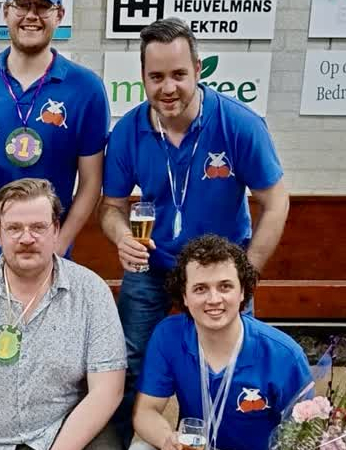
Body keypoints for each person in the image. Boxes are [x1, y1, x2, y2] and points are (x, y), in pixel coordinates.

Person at [98, 18, 290, 445]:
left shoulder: (238, 124)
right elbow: (110, 208)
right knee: (128, 361)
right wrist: (122, 237)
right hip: (153, 265)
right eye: (156, 77)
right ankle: (120, 442)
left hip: (220, 271)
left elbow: (276, 201)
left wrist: (247, 271)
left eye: (179, 74)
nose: (168, 88)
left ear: (198, 70)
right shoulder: (128, 131)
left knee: (236, 364)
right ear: (143, 76)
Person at [0, 178, 126, 449]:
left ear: (56, 230)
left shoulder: (92, 292)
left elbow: (108, 390)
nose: (26, 238)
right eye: (14, 228)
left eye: (38, 227)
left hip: (65, 434)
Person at [0, 0, 110, 275]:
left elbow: (91, 182)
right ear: (6, 11)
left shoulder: (87, 87)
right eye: (22, 5)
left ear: (59, 15)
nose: (31, 16)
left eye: (42, 6)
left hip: (45, 250)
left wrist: (59, 245)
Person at [133, 235, 311, 450]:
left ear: (242, 291)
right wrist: (168, 439)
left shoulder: (285, 355)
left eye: (225, 286)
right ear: (185, 296)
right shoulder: (169, 335)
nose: (214, 299)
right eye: (200, 289)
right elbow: (146, 411)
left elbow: (306, 435)